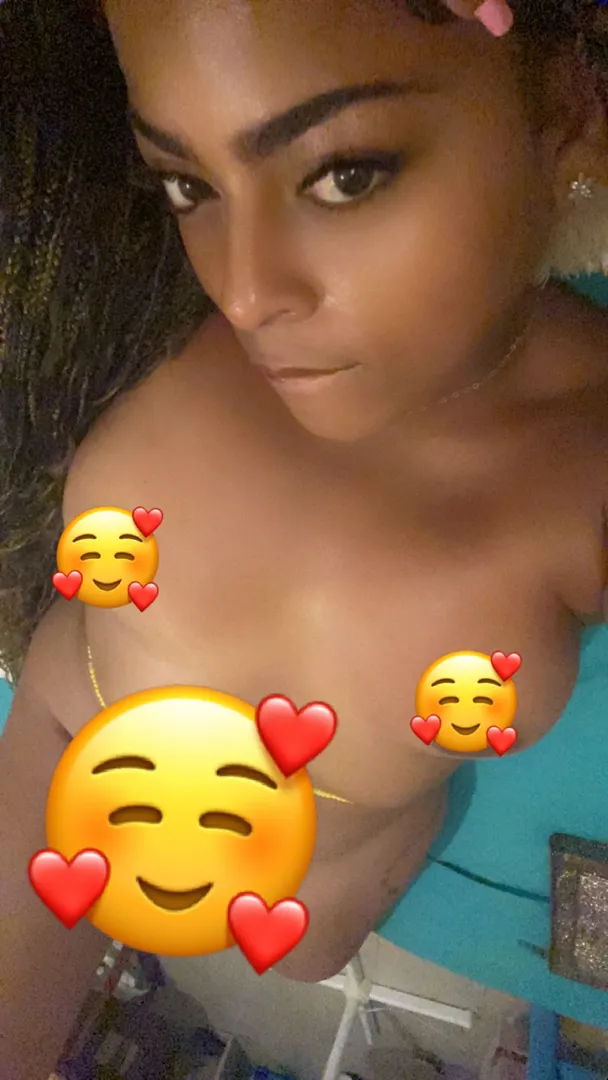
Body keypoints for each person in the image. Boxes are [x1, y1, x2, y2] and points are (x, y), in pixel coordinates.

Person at [1, 0, 607, 1076]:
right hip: (64, 719)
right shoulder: (129, 302)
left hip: (318, 880)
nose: (245, 292)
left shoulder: (581, 473)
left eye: (345, 175)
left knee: (304, 948)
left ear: (565, 107)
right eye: (186, 184)